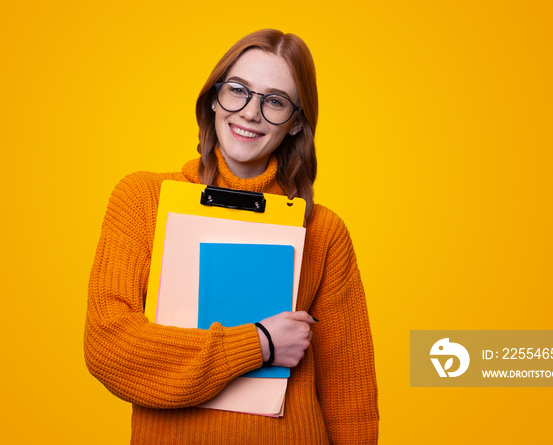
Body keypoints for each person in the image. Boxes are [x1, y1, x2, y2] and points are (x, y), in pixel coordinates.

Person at [84, 29, 379, 444]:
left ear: (296, 123)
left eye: (274, 101)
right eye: (238, 90)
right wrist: (259, 343)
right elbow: (108, 346)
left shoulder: (324, 232)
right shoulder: (142, 200)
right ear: (214, 98)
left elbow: (351, 396)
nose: (250, 113)